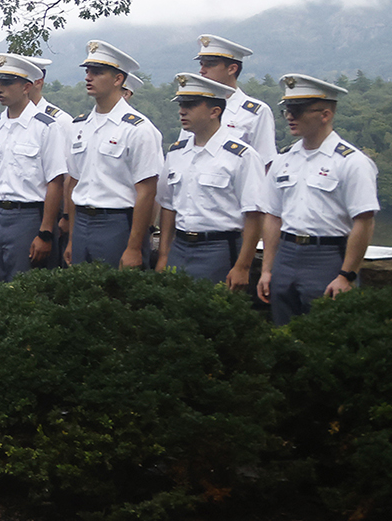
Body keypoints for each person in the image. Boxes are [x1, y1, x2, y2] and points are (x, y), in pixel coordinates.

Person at [258, 73, 380, 325]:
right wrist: (267, 269)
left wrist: (346, 275)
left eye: (299, 110)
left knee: (326, 336)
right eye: (288, 110)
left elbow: (364, 222)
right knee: (283, 335)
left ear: (325, 114)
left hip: (328, 256)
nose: (290, 116)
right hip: (286, 255)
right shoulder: (283, 160)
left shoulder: (352, 162)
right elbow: (272, 216)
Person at [156, 73, 272, 290]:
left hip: (218, 248)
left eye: (190, 105)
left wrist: (243, 266)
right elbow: (168, 207)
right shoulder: (176, 153)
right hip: (179, 247)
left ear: (214, 111)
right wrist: (164, 255)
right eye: (181, 104)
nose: (182, 110)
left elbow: (254, 214)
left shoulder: (241, 156)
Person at [0, 53, 69, 296]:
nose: (0, 89)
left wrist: (45, 232)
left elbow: (55, 182)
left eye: (7, 83)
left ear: (27, 87)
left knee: (25, 292)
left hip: (28, 216)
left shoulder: (46, 127)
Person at [64, 41, 163, 269]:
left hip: (117, 223)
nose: (89, 77)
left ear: (118, 79)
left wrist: (134, 247)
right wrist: (71, 239)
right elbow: (74, 182)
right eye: (88, 72)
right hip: (81, 222)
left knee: (116, 296)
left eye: (97, 73)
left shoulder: (138, 129)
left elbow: (147, 191)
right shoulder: (79, 125)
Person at [192, 34, 279, 165]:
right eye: (201, 64)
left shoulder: (256, 112)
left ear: (232, 69)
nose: (202, 71)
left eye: (209, 65)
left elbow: (265, 163)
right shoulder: (193, 108)